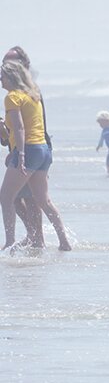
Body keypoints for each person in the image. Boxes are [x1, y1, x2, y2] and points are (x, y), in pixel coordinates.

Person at [0, 61, 70, 251]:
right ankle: (64, 241)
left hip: (28, 150)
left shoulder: (12, 97)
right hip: (43, 150)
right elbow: (20, 129)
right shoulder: (33, 95)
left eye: (2, 76)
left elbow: (21, 128)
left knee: (5, 196)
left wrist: (20, 155)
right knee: (43, 200)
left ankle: (9, 242)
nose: (0, 80)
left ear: (11, 77)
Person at [2, 46, 50, 245]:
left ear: (24, 65)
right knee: (20, 197)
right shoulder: (18, 91)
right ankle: (34, 236)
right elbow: (13, 130)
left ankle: (35, 237)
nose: (5, 66)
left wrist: (21, 153)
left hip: (33, 147)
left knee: (28, 198)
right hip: (28, 148)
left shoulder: (29, 91)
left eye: (11, 62)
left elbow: (32, 126)